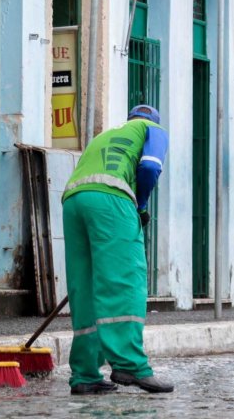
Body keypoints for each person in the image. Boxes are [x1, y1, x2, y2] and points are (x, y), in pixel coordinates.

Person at [61, 105, 173, 395]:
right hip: (112, 199)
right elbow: (149, 166)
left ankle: (85, 374)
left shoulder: (105, 135)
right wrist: (141, 204)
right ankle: (131, 365)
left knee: (85, 288)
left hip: (74, 200)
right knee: (125, 280)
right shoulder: (154, 130)